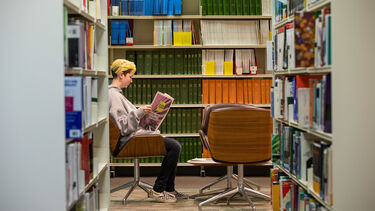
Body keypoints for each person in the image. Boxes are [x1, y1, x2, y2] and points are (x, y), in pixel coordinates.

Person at [108, 59, 187, 203]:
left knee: (172, 145)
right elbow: (123, 127)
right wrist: (139, 112)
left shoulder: (117, 95)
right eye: (130, 76)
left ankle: (169, 190)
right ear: (121, 75)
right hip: (127, 142)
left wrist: (146, 117)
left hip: (131, 137)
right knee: (174, 147)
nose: (131, 81)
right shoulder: (113, 96)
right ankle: (158, 190)